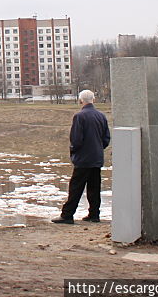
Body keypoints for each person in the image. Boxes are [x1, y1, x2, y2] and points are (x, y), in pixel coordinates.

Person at [52, 89, 110, 224]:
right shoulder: (101, 116)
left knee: (76, 187)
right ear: (93, 100)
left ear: (80, 101)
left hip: (83, 159)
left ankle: (67, 215)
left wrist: (73, 151)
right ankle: (94, 214)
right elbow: (106, 138)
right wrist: (98, 148)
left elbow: (76, 139)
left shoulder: (80, 116)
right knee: (94, 188)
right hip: (96, 158)